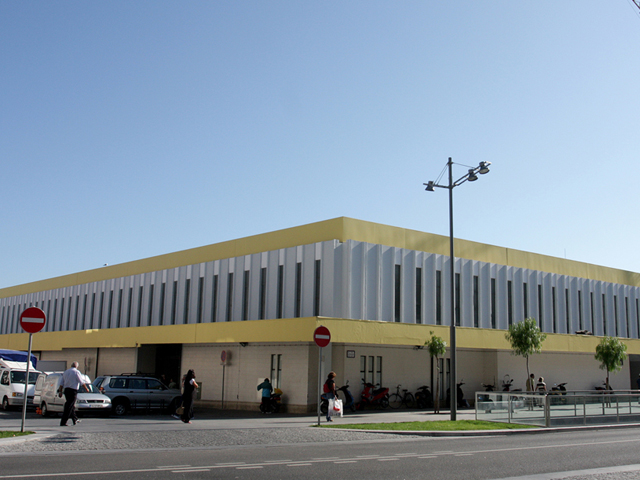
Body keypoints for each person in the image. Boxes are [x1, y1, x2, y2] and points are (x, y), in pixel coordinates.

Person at [59, 362, 88, 426]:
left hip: (66, 390)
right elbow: (81, 382)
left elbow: (61, 383)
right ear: (76, 366)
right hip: (73, 390)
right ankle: (63, 422)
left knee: (71, 405)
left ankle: (75, 419)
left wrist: (60, 391)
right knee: (69, 406)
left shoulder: (66, 372)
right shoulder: (76, 372)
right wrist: (86, 388)